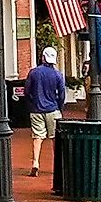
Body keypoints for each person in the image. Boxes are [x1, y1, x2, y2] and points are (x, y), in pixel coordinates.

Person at [24, 46, 67, 177]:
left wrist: (31, 103)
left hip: (36, 109)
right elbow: (62, 94)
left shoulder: (34, 72)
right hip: (53, 109)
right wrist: (60, 107)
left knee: (37, 137)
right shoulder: (58, 75)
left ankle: (35, 163)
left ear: (43, 57)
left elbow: (27, 91)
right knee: (55, 138)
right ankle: (58, 166)